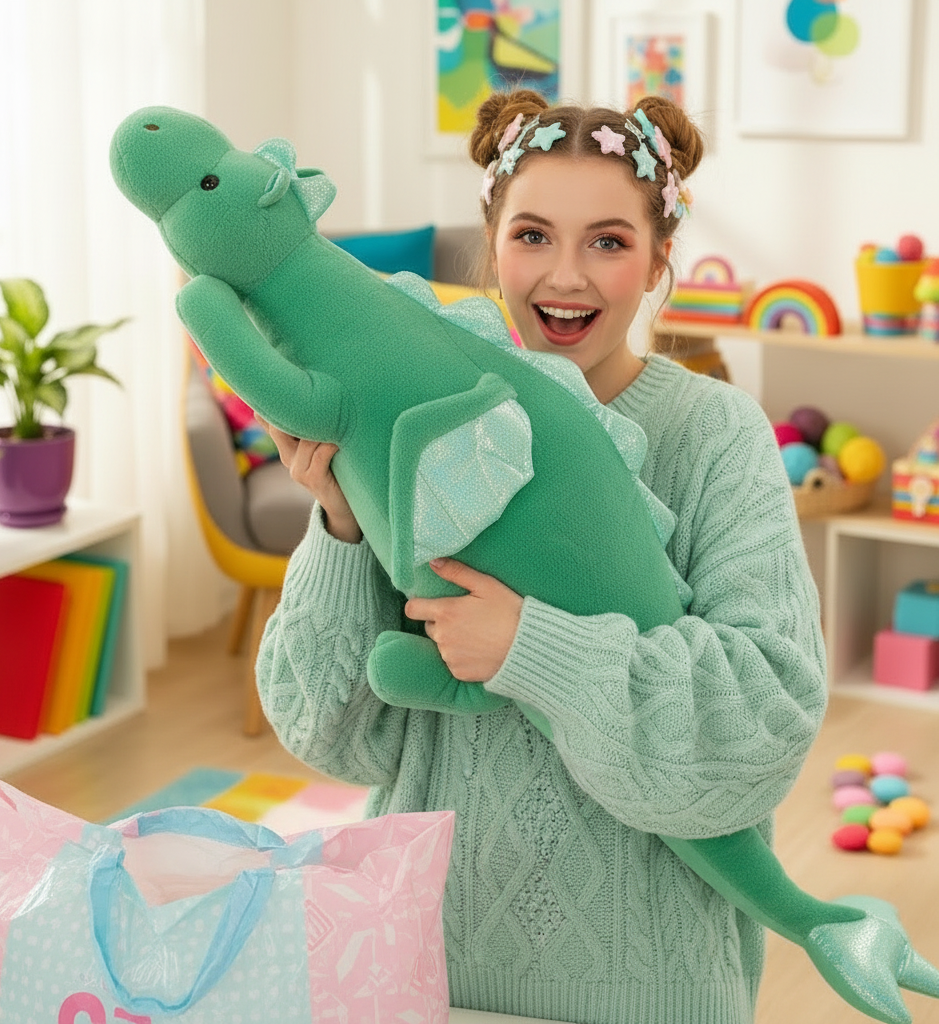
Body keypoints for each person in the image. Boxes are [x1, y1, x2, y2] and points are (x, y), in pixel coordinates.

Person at [255, 89, 827, 1024]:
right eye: (532, 236)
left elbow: (762, 721)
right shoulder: (420, 419)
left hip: (651, 987)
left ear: (657, 263)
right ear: (492, 244)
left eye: (608, 241)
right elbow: (331, 733)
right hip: (417, 968)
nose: (566, 276)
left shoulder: (714, 433)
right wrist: (339, 523)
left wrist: (533, 648)